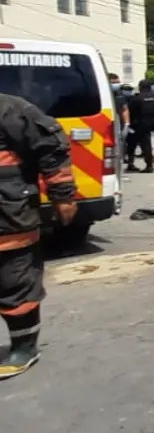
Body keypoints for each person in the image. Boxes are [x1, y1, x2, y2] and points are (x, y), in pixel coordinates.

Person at [0, 93, 77, 379]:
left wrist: (63, 196)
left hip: (8, 218)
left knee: (14, 282)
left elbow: (51, 149)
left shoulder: (11, 110)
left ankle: (24, 346)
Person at [127, 80, 154, 172]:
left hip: (143, 123)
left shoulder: (136, 98)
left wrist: (131, 125)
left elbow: (131, 113)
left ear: (140, 88)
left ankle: (149, 166)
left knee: (146, 144)